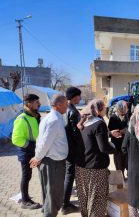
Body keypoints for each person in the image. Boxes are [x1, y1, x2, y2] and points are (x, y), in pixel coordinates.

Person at [75, 99, 119, 217]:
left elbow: (91, 138)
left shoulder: (84, 122)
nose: (106, 109)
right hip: (95, 169)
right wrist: (116, 148)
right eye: (104, 107)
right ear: (98, 110)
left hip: (81, 168)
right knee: (97, 200)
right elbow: (103, 148)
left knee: (85, 198)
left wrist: (108, 133)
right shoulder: (99, 124)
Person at [30, 94, 69, 217]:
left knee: (49, 193)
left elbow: (40, 139)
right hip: (53, 163)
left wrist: (37, 156)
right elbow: (45, 142)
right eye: (66, 104)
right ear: (58, 105)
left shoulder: (49, 118)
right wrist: (37, 158)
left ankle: (47, 212)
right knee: (53, 195)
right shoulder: (55, 120)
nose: (67, 107)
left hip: (50, 161)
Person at [12, 94, 41, 209]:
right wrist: (31, 145)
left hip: (35, 151)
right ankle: (25, 201)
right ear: (29, 104)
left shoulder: (35, 115)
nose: (39, 104)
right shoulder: (22, 118)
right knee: (26, 176)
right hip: (26, 152)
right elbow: (16, 139)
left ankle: (27, 197)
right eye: (36, 102)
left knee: (33, 175)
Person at [62, 87, 81, 215]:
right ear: (74, 97)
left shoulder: (65, 110)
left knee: (68, 174)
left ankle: (65, 202)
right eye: (79, 96)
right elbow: (76, 134)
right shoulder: (73, 112)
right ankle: (65, 205)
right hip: (72, 149)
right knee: (70, 175)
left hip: (66, 147)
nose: (80, 98)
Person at [108, 100, 129, 177]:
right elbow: (109, 132)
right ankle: (120, 181)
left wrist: (126, 130)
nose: (124, 111)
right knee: (119, 166)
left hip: (126, 145)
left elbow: (129, 126)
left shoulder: (126, 116)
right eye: (122, 109)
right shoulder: (113, 118)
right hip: (117, 146)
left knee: (127, 164)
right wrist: (120, 131)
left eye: (125, 108)